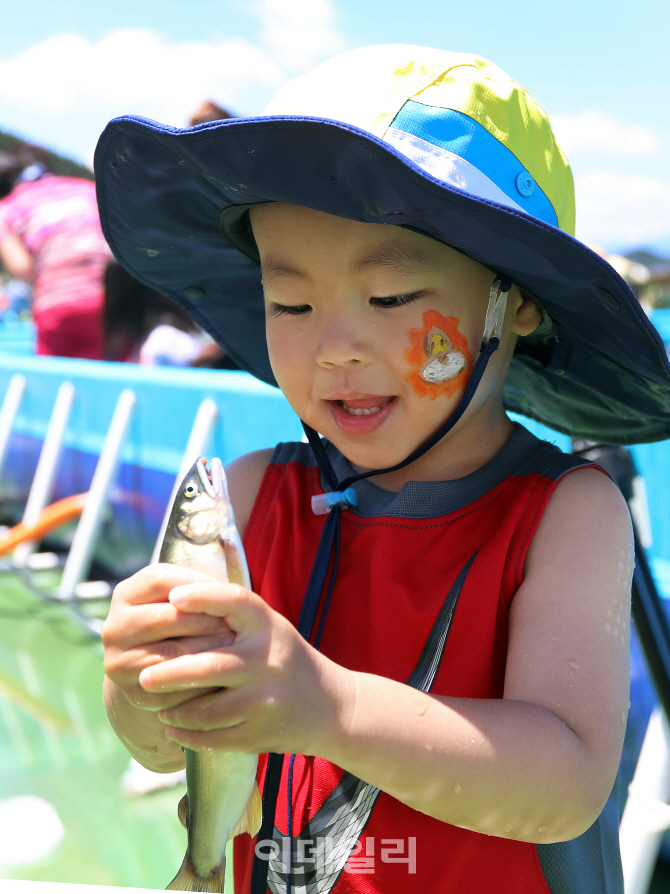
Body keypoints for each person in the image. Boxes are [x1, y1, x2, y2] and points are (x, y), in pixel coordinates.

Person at [95, 45, 670, 893]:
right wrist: (142, 691)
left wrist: (328, 708)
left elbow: (567, 785)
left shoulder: (565, 516)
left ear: (516, 305)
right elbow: (162, 745)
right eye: (291, 303)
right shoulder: (248, 497)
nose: (333, 350)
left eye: (391, 298)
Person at [0, 142, 111, 359]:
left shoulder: (8, 208)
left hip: (60, 304)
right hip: (117, 295)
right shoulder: (86, 187)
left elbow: (22, 267)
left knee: (57, 383)